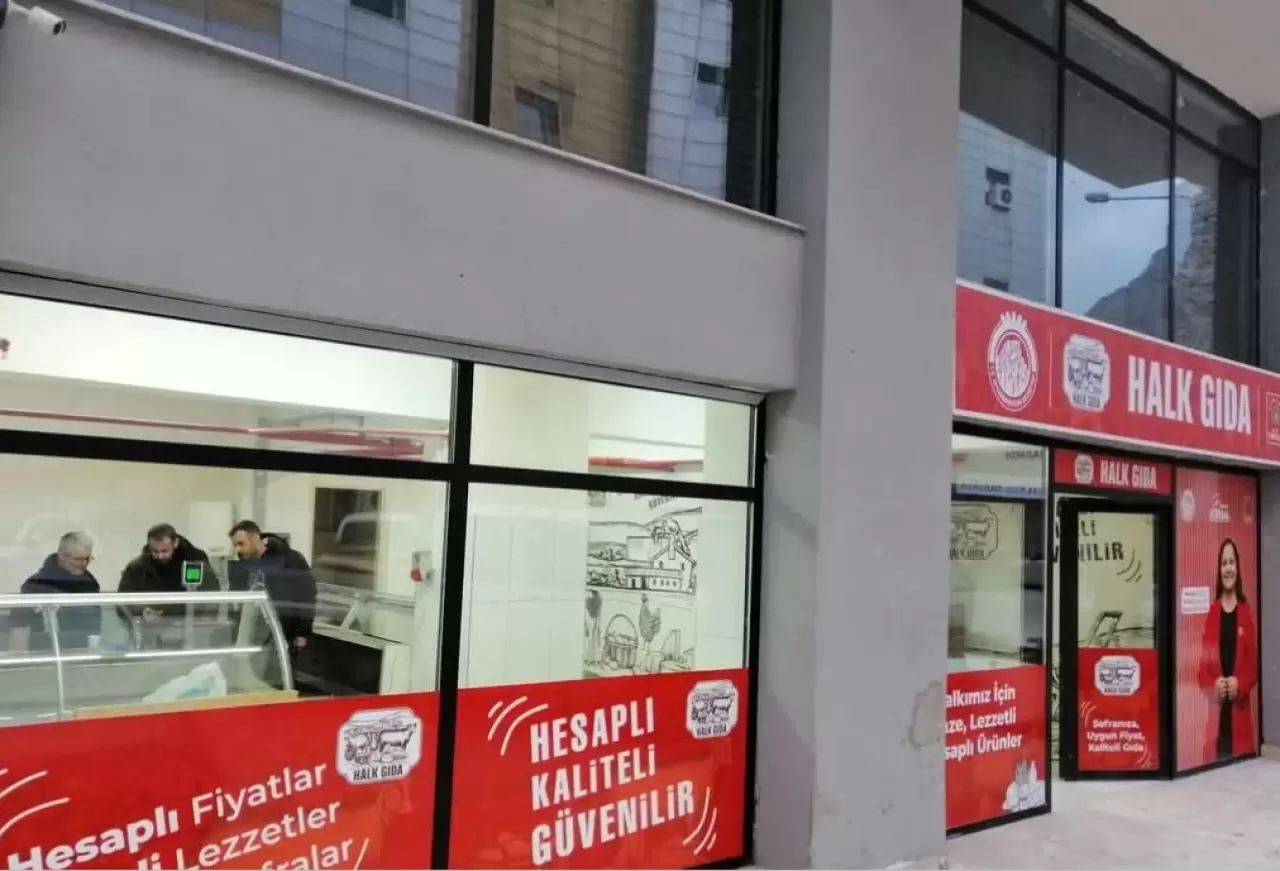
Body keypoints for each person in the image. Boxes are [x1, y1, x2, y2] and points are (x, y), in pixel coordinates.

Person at [1197, 537, 1257, 761]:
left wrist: (1239, 684)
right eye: (1224, 563)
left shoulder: (1246, 613)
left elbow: (1253, 665)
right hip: (1217, 721)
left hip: (1240, 719)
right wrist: (1214, 685)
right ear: (1219, 570)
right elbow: (1202, 671)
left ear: (1238, 568)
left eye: (1232, 562)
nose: (1228, 568)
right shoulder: (1212, 615)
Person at [227, 520, 316, 651]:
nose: (237, 549)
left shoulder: (291, 560)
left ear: (255, 539)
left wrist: (302, 632)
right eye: (235, 545)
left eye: (241, 544)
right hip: (250, 635)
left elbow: (306, 596)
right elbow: (237, 602)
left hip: (281, 633)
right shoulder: (242, 567)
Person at [9, 532, 101, 652]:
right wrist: (21, 660)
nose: (83, 564)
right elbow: (19, 631)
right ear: (62, 556)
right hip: (44, 655)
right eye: (78, 559)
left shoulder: (89, 584)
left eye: (87, 559)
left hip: (81, 655)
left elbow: (95, 628)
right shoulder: (37, 585)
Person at [118, 524, 220, 625]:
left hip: (189, 626)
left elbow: (211, 596)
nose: (160, 556)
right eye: (155, 551)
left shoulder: (196, 562)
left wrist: (204, 621)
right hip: (151, 629)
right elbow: (123, 602)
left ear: (175, 543)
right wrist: (141, 611)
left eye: (164, 551)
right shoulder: (137, 568)